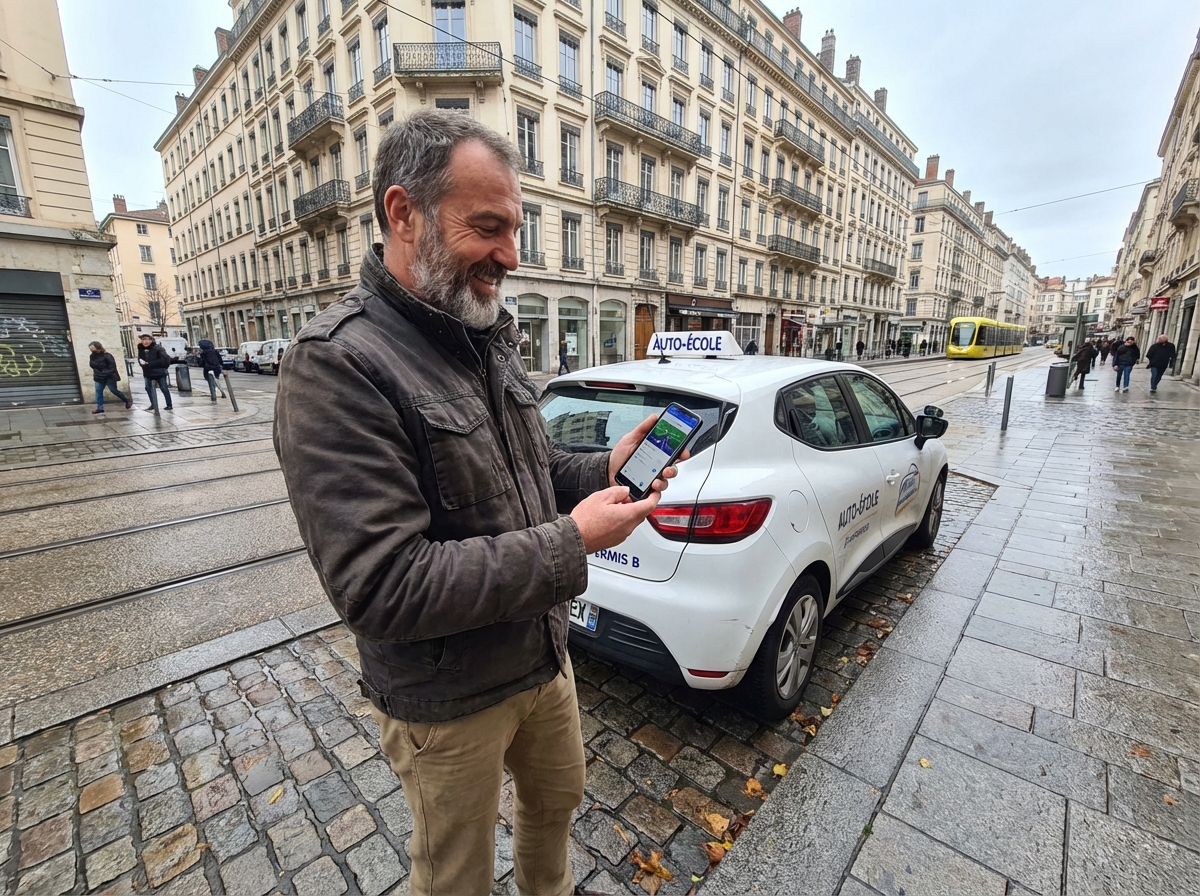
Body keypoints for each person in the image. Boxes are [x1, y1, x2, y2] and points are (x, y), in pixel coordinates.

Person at [273, 110, 686, 896]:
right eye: (487, 227)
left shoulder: (485, 332)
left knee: (555, 811)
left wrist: (603, 466)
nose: (510, 255)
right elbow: (383, 584)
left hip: (542, 660)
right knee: (456, 874)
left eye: (515, 229)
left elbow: (522, 471)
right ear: (403, 213)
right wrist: (573, 543)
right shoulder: (334, 366)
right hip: (447, 701)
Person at [87, 341, 132, 413]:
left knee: (114, 390)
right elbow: (92, 365)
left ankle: (127, 400)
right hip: (98, 376)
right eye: (90, 348)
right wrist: (99, 371)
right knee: (98, 392)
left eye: (93, 347)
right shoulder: (92, 356)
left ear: (97, 347)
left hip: (109, 376)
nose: (91, 349)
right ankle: (100, 408)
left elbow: (112, 366)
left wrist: (104, 372)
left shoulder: (107, 355)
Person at [137, 334, 173, 412]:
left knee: (164, 388)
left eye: (147, 339)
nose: (145, 341)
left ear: (151, 340)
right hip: (148, 372)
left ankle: (169, 404)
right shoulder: (141, 349)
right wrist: (142, 363)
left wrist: (149, 363)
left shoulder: (158, 349)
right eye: (143, 339)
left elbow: (164, 360)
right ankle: (153, 404)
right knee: (148, 388)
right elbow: (140, 359)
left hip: (159, 372)